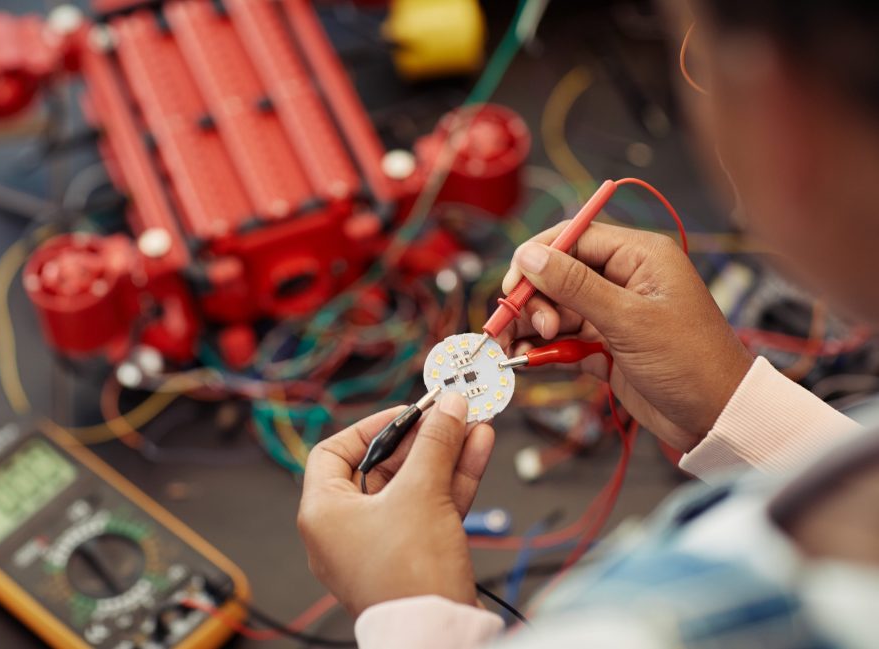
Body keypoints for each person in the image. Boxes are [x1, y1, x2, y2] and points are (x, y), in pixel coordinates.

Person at [297, 1, 879, 647]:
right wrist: (733, 409)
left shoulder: (654, 620)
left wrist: (410, 610)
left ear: (779, 112)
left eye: (695, 62)